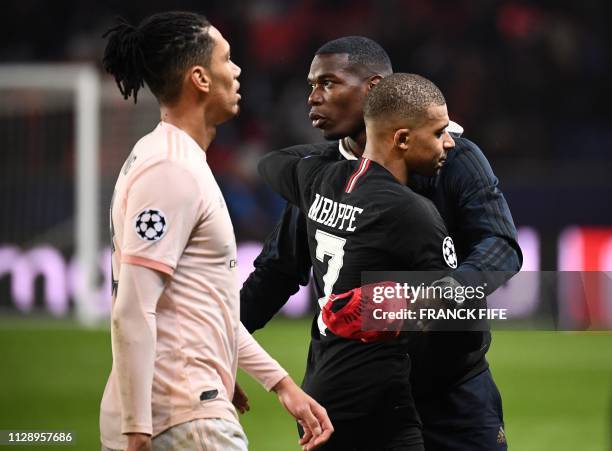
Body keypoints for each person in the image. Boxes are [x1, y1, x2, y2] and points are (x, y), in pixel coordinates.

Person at [242, 37, 522, 450]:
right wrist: (218, 344)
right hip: (360, 396)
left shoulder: (455, 158)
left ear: (373, 89)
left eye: (329, 84)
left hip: (452, 391)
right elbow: (277, 270)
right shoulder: (323, 174)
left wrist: (441, 293)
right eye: (311, 86)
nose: (313, 99)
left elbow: (500, 245)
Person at [99, 12, 332, 451]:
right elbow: (132, 307)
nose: (238, 69)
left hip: (182, 410)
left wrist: (281, 384)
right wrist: (137, 429)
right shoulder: (171, 169)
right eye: (227, 58)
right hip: (182, 417)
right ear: (200, 79)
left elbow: (209, 308)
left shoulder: (167, 157)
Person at [258, 72, 457, 450]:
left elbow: (270, 164)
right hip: (376, 404)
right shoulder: (414, 212)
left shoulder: (316, 179)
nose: (448, 144)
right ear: (401, 139)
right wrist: (401, 307)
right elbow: (455, 318)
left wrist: (342, 148)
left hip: (320, 391)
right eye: (438, 133)